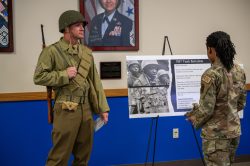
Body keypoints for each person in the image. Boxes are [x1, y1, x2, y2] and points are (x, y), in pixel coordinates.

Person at [33, 10, 110, 166]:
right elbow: (39, 77)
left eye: (82, 25)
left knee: (83, 157)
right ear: (66, 29)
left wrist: (103, 108)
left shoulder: (86, 53)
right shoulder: (52, 51)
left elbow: (95, 82)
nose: (82, 28)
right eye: (77, 25)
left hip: (86, 109)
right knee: (59, 157)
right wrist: (64, 74)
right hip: (66, 108)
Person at [185, 31, 246, 166]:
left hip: (216, 137)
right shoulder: (239, 71)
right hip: (234, 133)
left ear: (211, 50)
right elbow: (241, 103)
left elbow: (207, 109)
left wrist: (194, 117)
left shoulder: (211, 74)